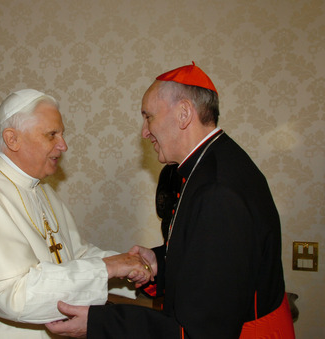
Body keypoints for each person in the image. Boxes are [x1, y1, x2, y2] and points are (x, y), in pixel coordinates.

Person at [46, 63, 295, 338]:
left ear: (184, 114)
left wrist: (100, 322)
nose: (144, 132)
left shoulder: (217, 191)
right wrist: (159, 261)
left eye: (148, 117)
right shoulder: (212, 162)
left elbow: (201, 330)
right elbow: (210, 259)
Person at [0, 89, 153, 338]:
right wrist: (107, 268)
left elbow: (76, 255)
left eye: (62, 134)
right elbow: (14, 297)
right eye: (52, 135)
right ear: (12, 139)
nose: (63, 145)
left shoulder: (41, 189)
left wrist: (136, 266)